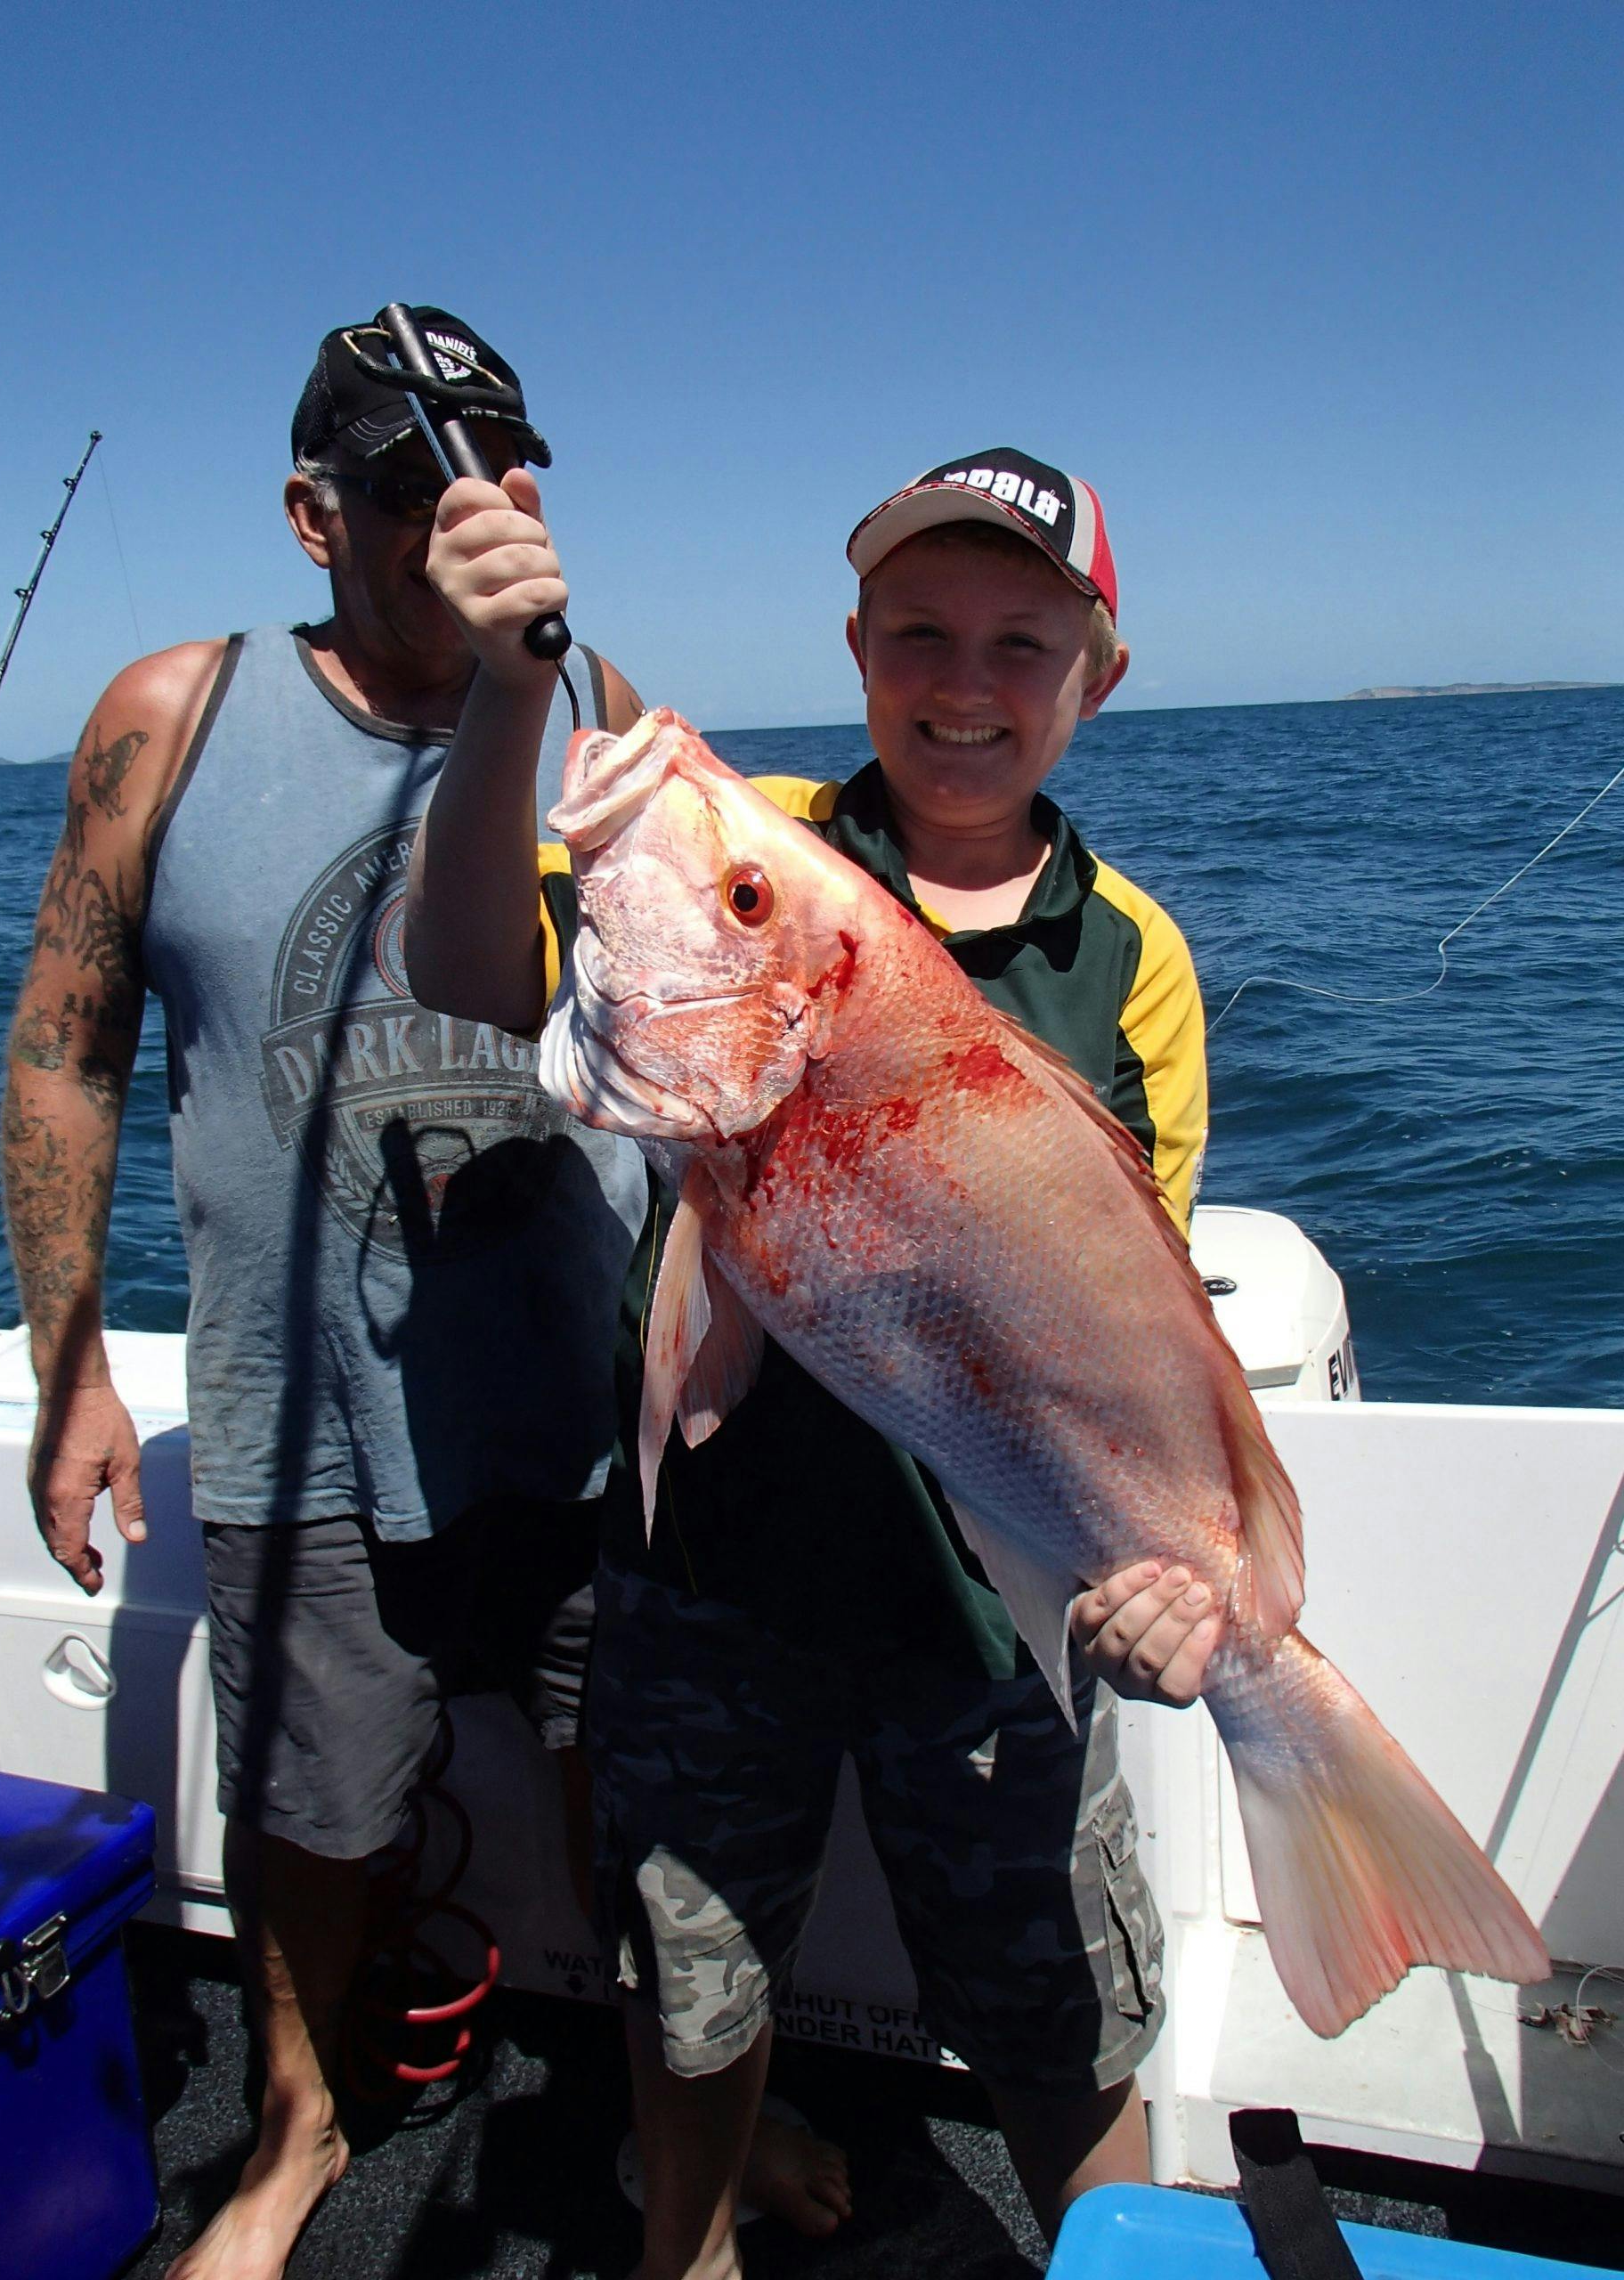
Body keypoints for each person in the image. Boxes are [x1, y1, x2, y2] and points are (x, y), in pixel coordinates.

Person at [407, 444, 1224, 2278]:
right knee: (687, 2006)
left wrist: (1163, 1573)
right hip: (712, 1590)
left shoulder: (1133, 962)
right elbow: (470, 954)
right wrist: (508, 689)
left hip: (987, 1624)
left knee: (1061, 2027)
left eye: (1024, 643)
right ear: (855, 647)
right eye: (918, 631)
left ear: (1099, 676)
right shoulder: (758, 846)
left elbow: (1129, 1321)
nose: (962, 680)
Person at [0, 307, 651, 2280]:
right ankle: (293, 2130)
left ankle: (677, 2092)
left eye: (505, 468)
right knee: (318, 1802)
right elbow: (62, 1044)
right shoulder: (170, 712)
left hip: (567, 1377)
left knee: (622, 1752)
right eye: (406, 481)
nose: (467, 511)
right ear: (312, 516)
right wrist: (69, 1370)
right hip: (299, 1392)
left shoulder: (599, 697)